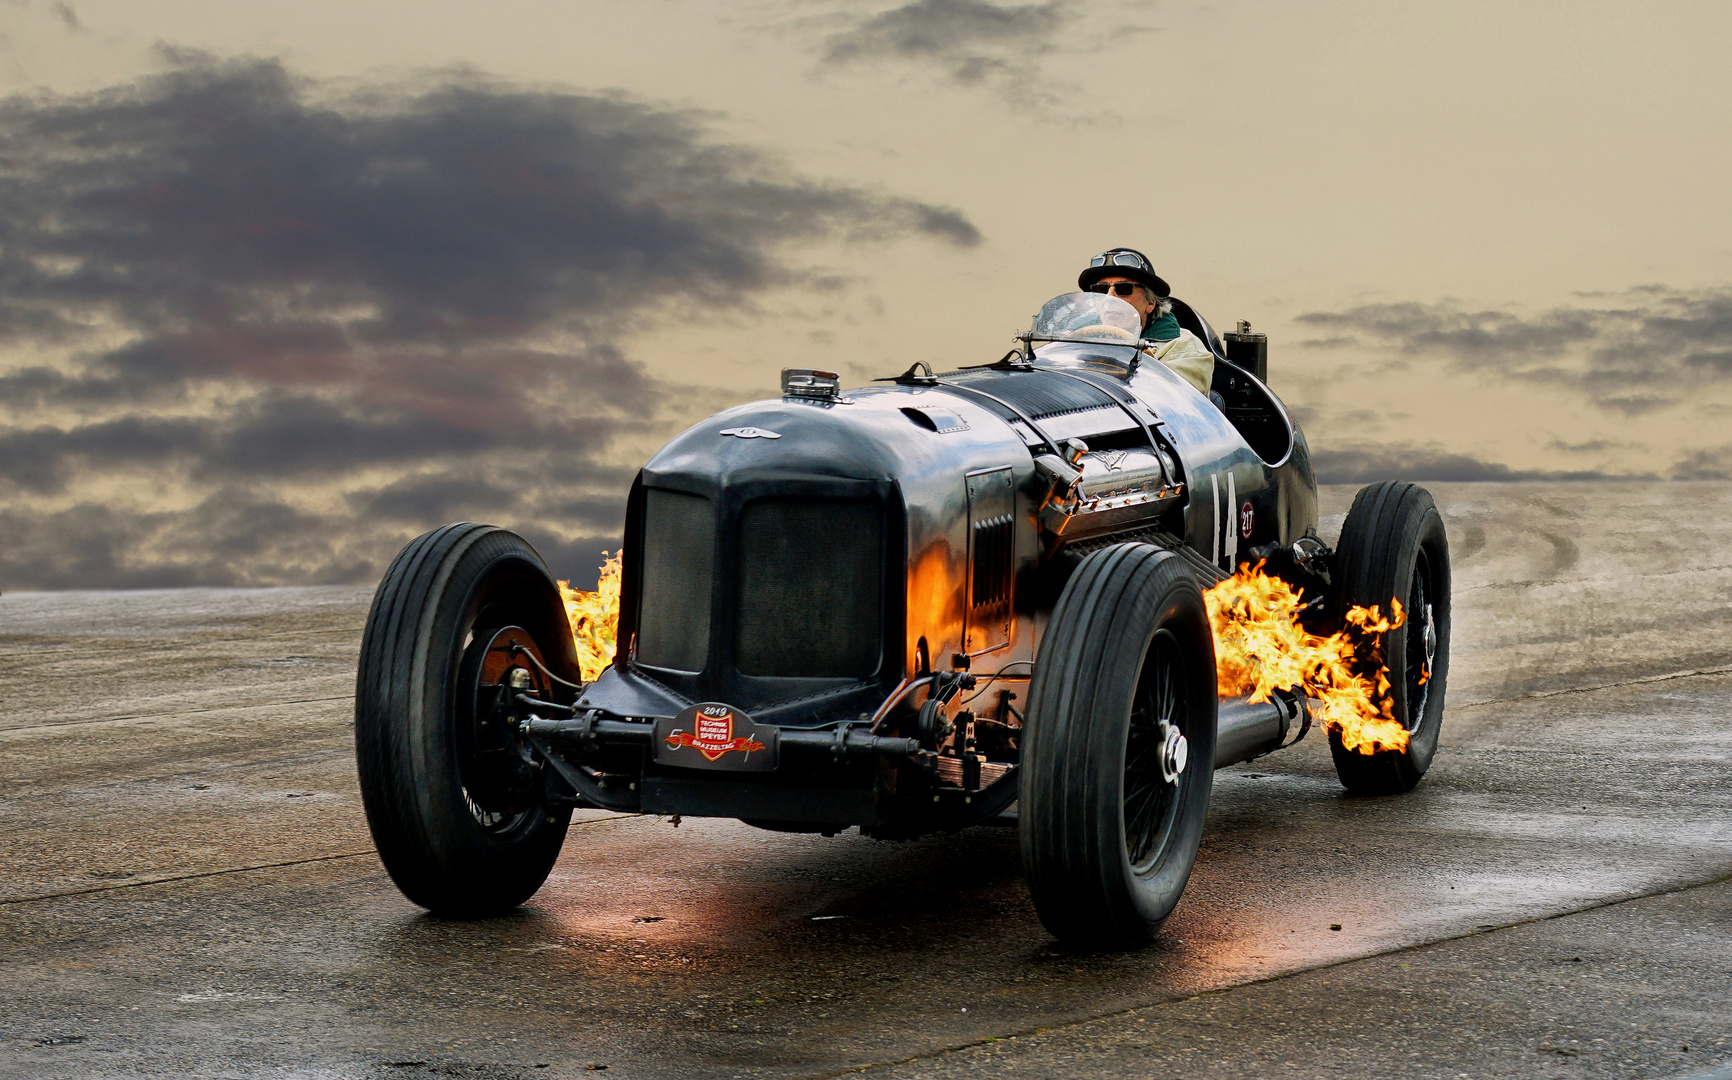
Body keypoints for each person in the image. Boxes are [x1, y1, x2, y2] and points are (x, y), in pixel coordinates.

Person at [1077, 247, 1214, 397]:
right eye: (1100, 290)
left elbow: (1173, 405)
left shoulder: (1184, 349)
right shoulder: (1073, 342)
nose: (1109, 297)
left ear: (1150, 302)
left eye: (1123, 288)